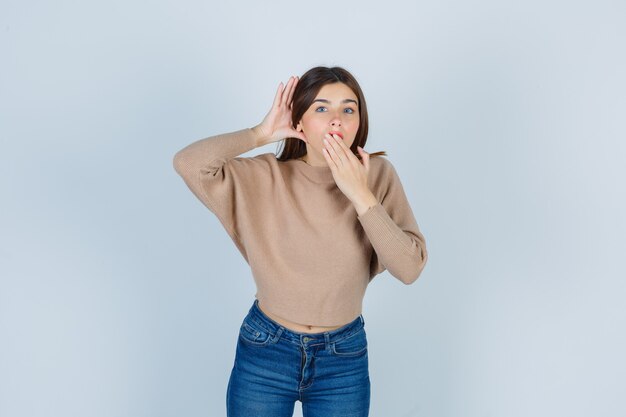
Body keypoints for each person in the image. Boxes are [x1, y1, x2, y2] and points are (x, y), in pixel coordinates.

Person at [172, 66, 428, 417]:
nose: (336, 119)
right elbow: (188, 163)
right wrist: (260, 133)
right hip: (266, 349)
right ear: (300, 120)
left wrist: (360, 195)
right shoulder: (266, 176)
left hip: (343, 356)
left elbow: (410, 268)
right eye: (322, 108)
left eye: (348, 109)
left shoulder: (378, 175)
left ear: (359, 121)